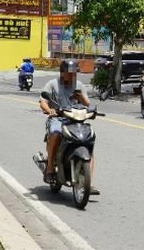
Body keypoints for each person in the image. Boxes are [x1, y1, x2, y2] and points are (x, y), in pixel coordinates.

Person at [38, 59, 100, 195]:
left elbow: (87, 104)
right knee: (55, 133)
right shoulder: (52, 84)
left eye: (73, 74)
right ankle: (49, 168)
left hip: (76, 119)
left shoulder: (78, 85)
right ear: (62, 73)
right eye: (69, 74)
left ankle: (89, 182)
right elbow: (43, 102)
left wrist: (81, 98)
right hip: (58, 118)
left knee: (88, 141)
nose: (72, 76)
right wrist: (49, 110)